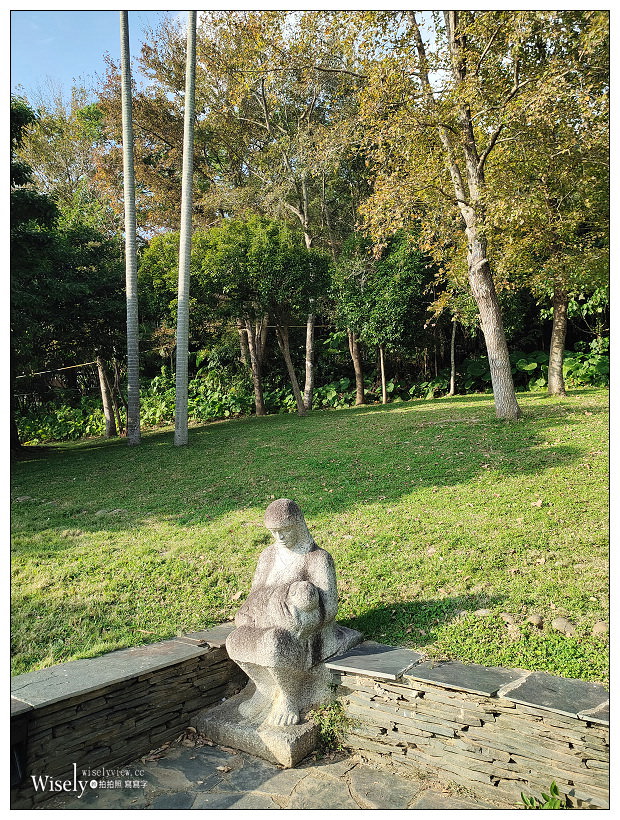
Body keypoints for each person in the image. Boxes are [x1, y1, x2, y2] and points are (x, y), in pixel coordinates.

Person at [226, 499, 340, 726]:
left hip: (304, 627)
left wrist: (300, 620)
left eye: (285, 530)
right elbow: (255, 591)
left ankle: (289, 696)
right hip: (266, 619)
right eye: (274, 532)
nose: (280, 537)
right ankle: (266, 690)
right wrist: (248, 612)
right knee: (235, 641)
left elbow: (330, 608)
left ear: (298, 525)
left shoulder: (318, 558)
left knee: (273, 644)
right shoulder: (268, 556)